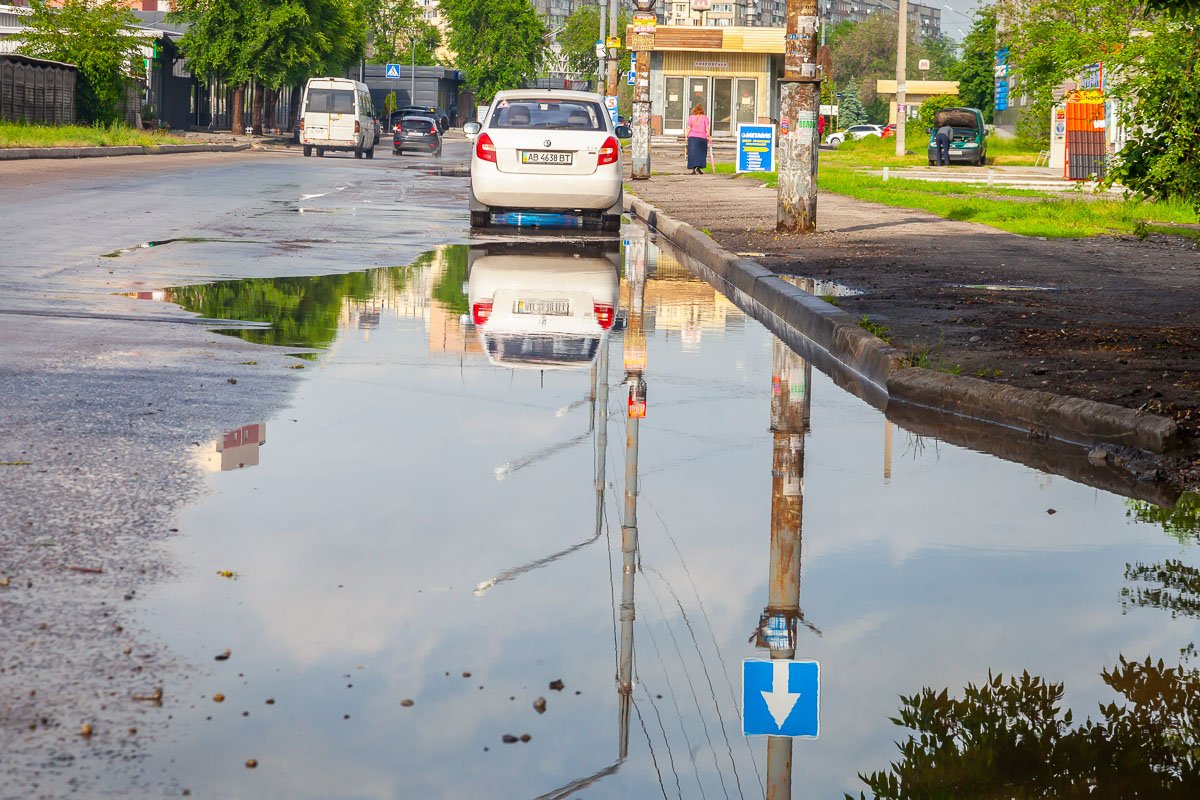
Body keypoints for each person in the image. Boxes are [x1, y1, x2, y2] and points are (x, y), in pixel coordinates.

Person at [685, 103, 710, 175]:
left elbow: (688, 128)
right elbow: (707, 128)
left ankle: (693, 169)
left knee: (692, 153)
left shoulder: (691, 117)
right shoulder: (705, 117)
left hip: (692, 137)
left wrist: (686, 136)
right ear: (702, 110)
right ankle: (698, 168)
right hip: (702, 138)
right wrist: (709, 136)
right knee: (701, 153)